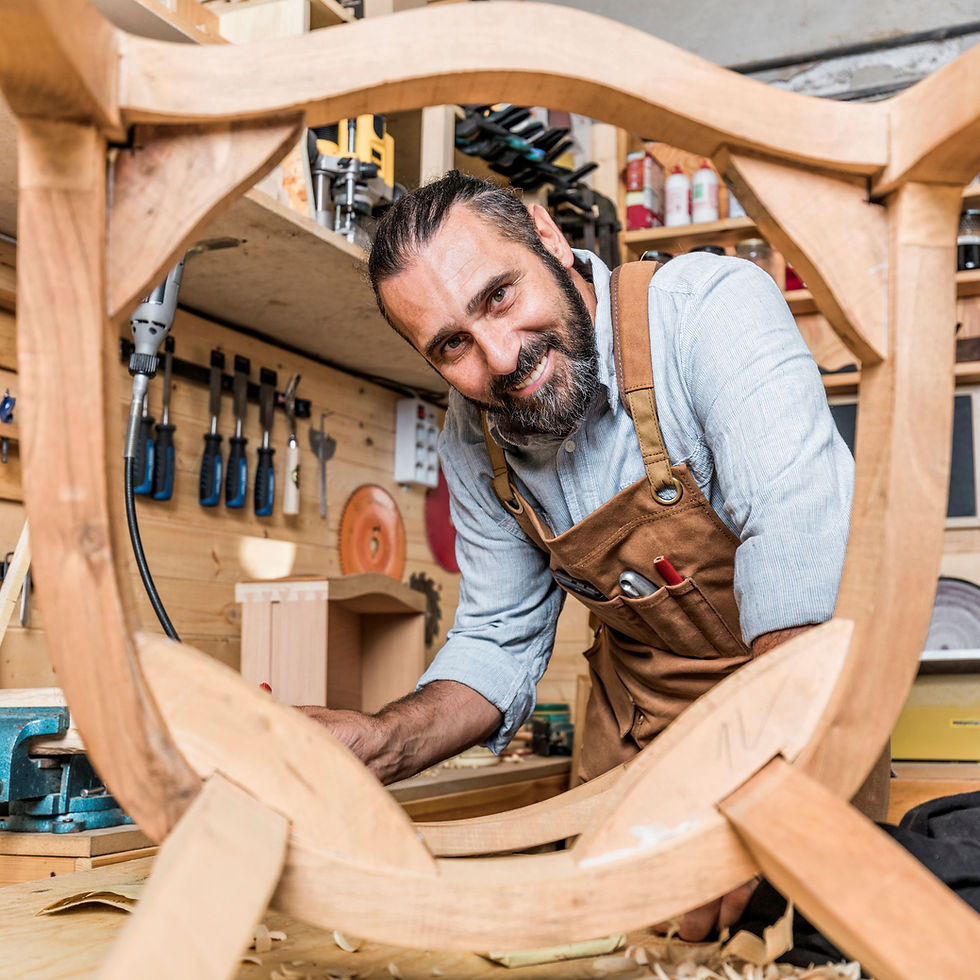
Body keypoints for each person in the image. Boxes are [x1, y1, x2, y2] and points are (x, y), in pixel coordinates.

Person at [299, 170, 854, 939]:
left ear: (548, 237)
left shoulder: (709, 311)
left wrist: (762, 781)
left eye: (498, 296)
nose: (499, 357)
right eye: (451, 345)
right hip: (635, 746)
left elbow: (794, 551)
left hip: (797, 720)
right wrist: (384, 744)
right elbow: (496, 638)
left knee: (816, 941)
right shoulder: (473, 431)